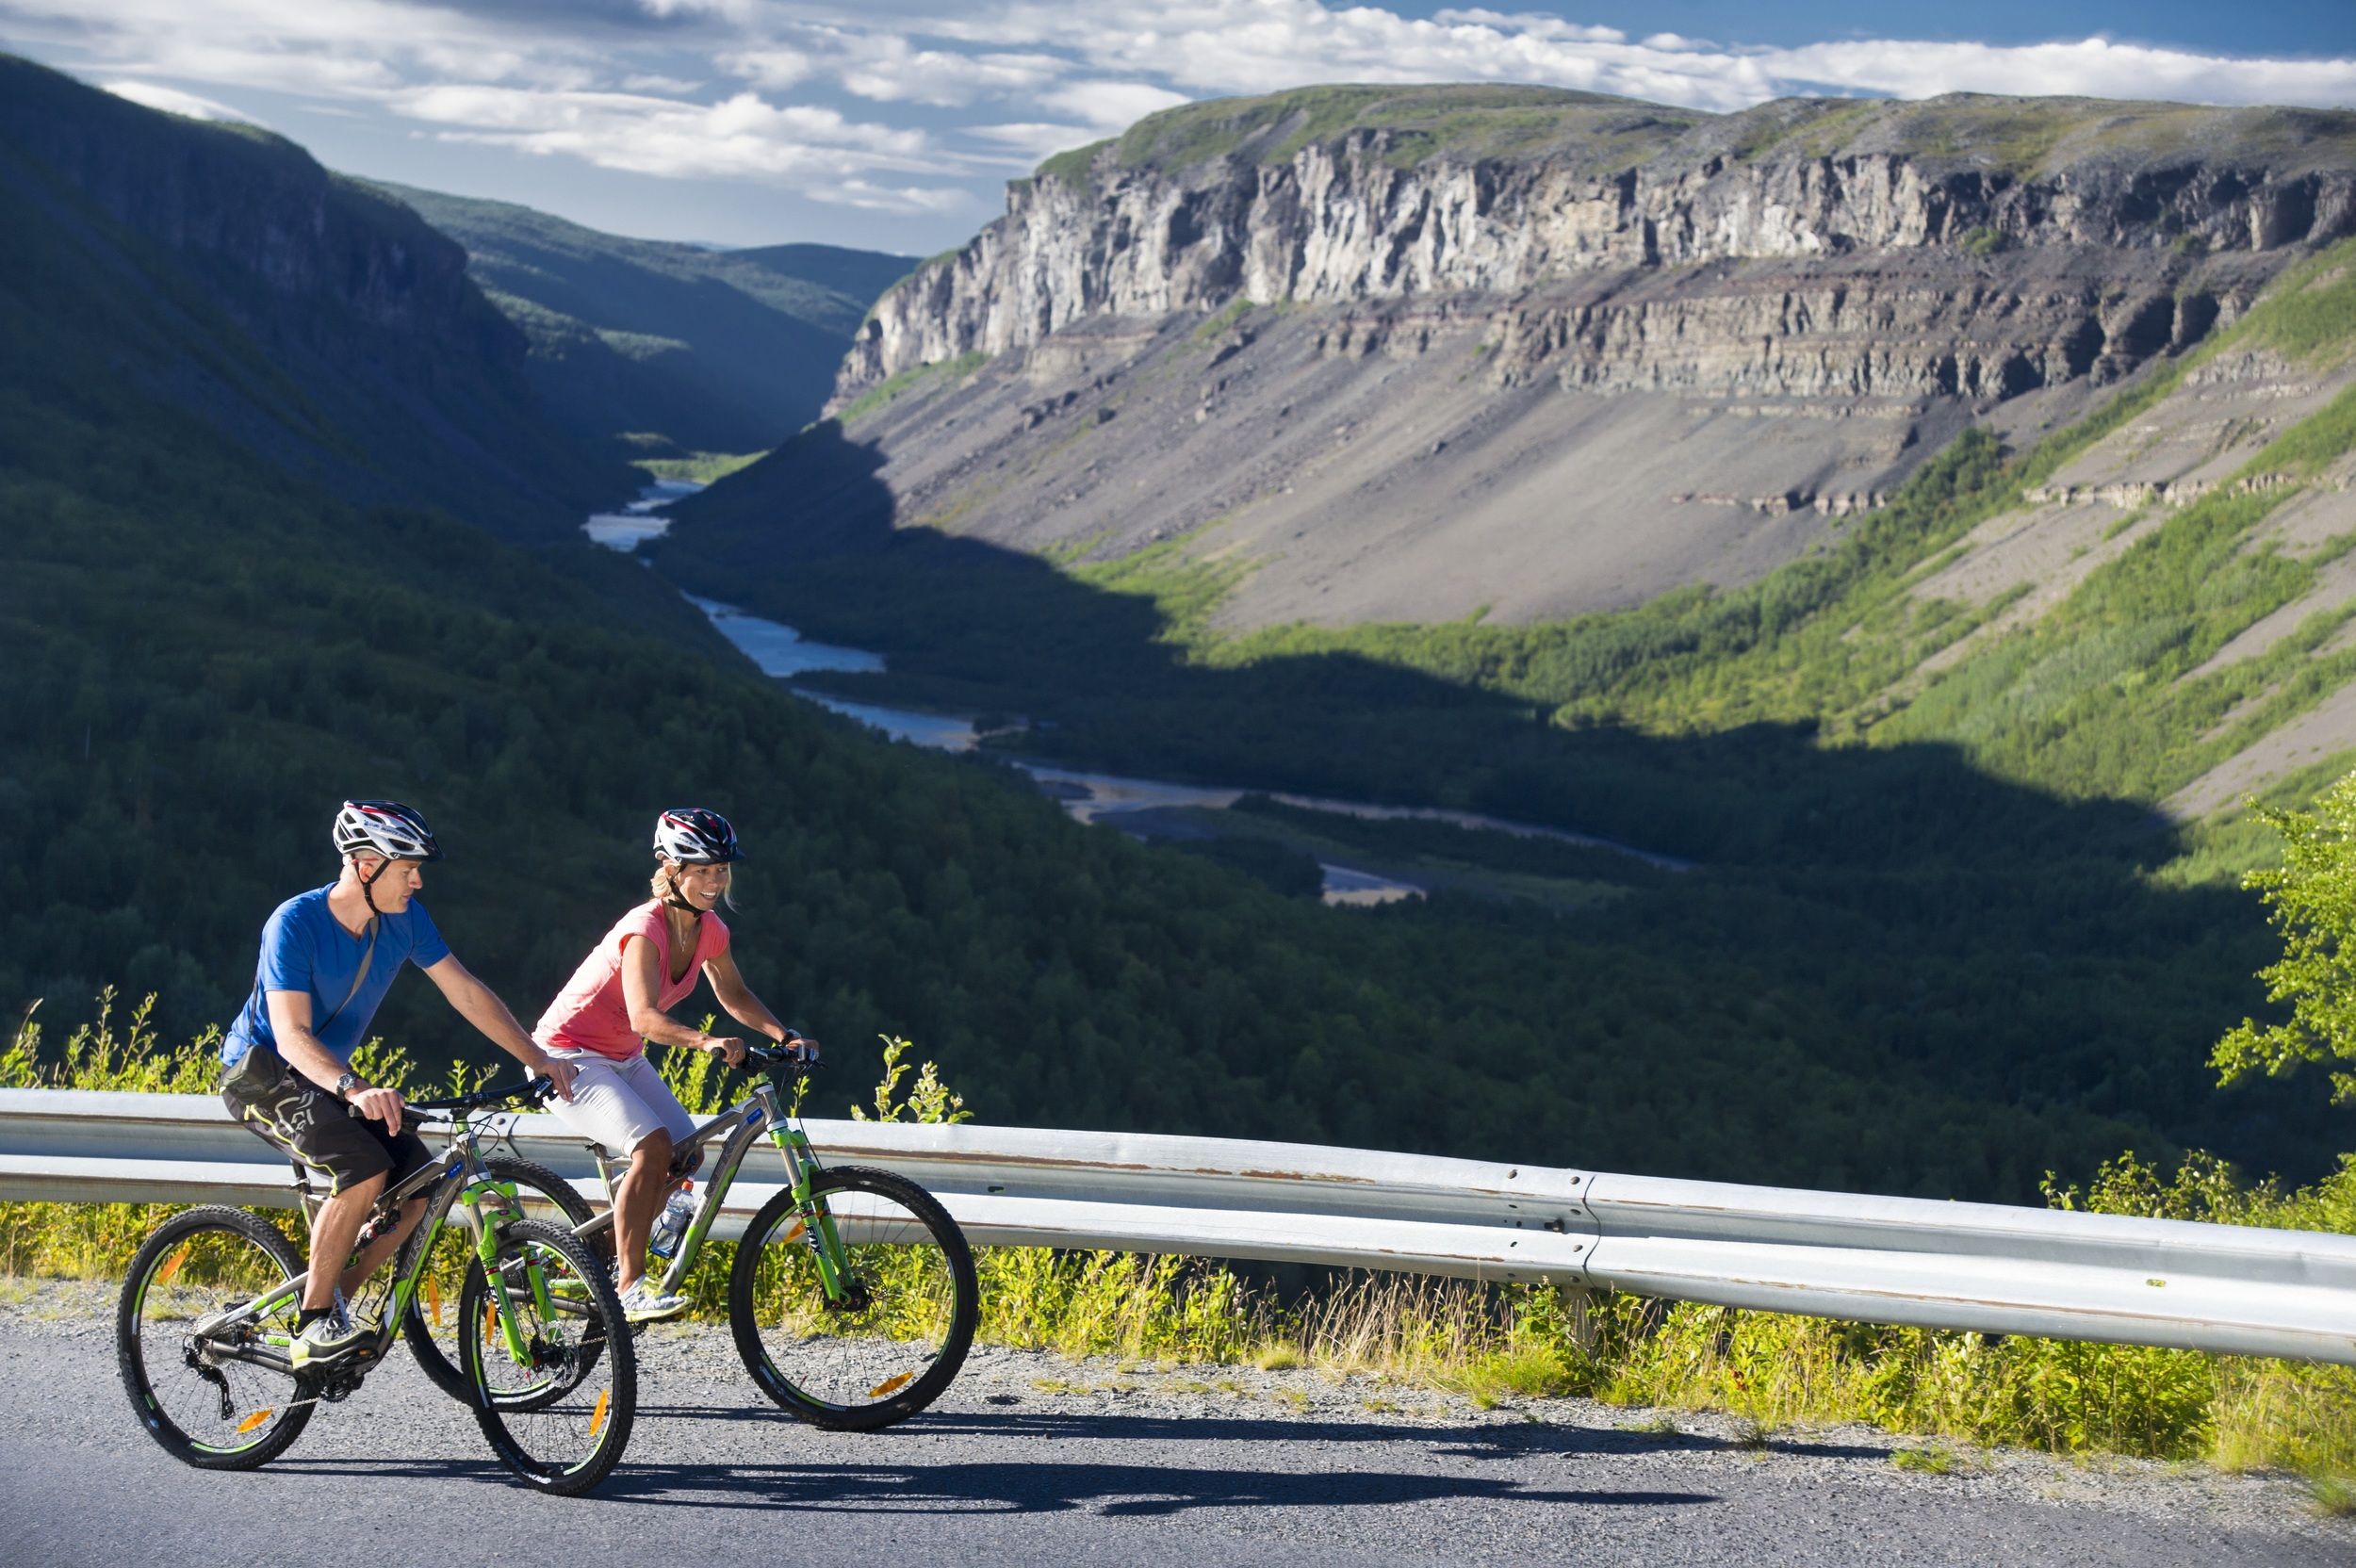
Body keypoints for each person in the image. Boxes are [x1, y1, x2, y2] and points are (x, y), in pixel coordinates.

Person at [219, 800, 578, 1366]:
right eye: (407, 866)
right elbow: (290, 1036)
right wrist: (356, 1089)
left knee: (419, 1185)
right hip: (262, 1073)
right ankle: (313, 1325)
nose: (418, 878)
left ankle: (338, 1297)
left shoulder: (405, 921)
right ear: (365, 866)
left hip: (329, 1081)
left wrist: (537, 1057)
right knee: (362, 1168)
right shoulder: (294, 923)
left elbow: (464, 991)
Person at [533, 808, 809, 1322]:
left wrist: (783, 1035)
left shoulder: (710, 930)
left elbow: (732, 991)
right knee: (654, 1146)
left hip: (620, 1056)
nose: (714, 881)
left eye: (721, 869)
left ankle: (609, 1256)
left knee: (685, 1153)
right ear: (670, 867)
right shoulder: (644, 929)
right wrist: (705, 1042)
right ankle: (629, 1284)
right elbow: (643, 1018)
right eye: (701, 869)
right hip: (566, 1056)